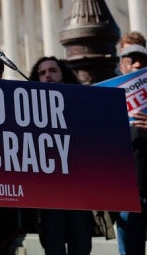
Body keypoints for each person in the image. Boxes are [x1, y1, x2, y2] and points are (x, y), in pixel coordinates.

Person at [28, 57, 92, 255]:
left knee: (80, 244)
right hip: (48, 192)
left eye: (53, 70)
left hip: (78, 190)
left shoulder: (82, 103)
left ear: (63, 74)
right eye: (42, 73)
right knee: (53, 245)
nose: (48, 75)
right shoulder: (28, 110)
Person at [115, 43, 147, 255]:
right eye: (130, 59)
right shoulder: (107, 99)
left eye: (141, 59)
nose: (136, 63)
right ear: (121, 66)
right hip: (127, 194)